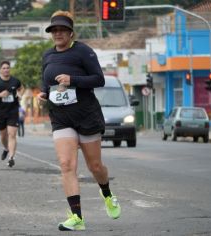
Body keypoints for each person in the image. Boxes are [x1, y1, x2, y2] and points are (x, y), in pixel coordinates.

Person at [37, 11, 121, 231]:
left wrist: (72, 79)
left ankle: (107, 194)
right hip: (61, 118)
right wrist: (43, 94)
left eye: (62, 30)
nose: (58, 34)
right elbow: (46, 84)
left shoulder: (83, 51)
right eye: (54, 30)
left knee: (95, 166)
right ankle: (77, 218)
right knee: (66, 165)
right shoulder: (47, 56)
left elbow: (99, 79)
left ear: (71, 33)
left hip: (86, 116)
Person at [0, 60, 24, 167]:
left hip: (13, 111)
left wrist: (20, 95)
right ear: (0, 70)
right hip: (1, 113)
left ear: (10, 69)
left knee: (12, 135)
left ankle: (11, 157)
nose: (6, 70)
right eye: (4, 68)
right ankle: (6, 148)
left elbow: (21, 88)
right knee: (3, 136)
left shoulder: (15, 81)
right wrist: (0, 95)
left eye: (7, 68)